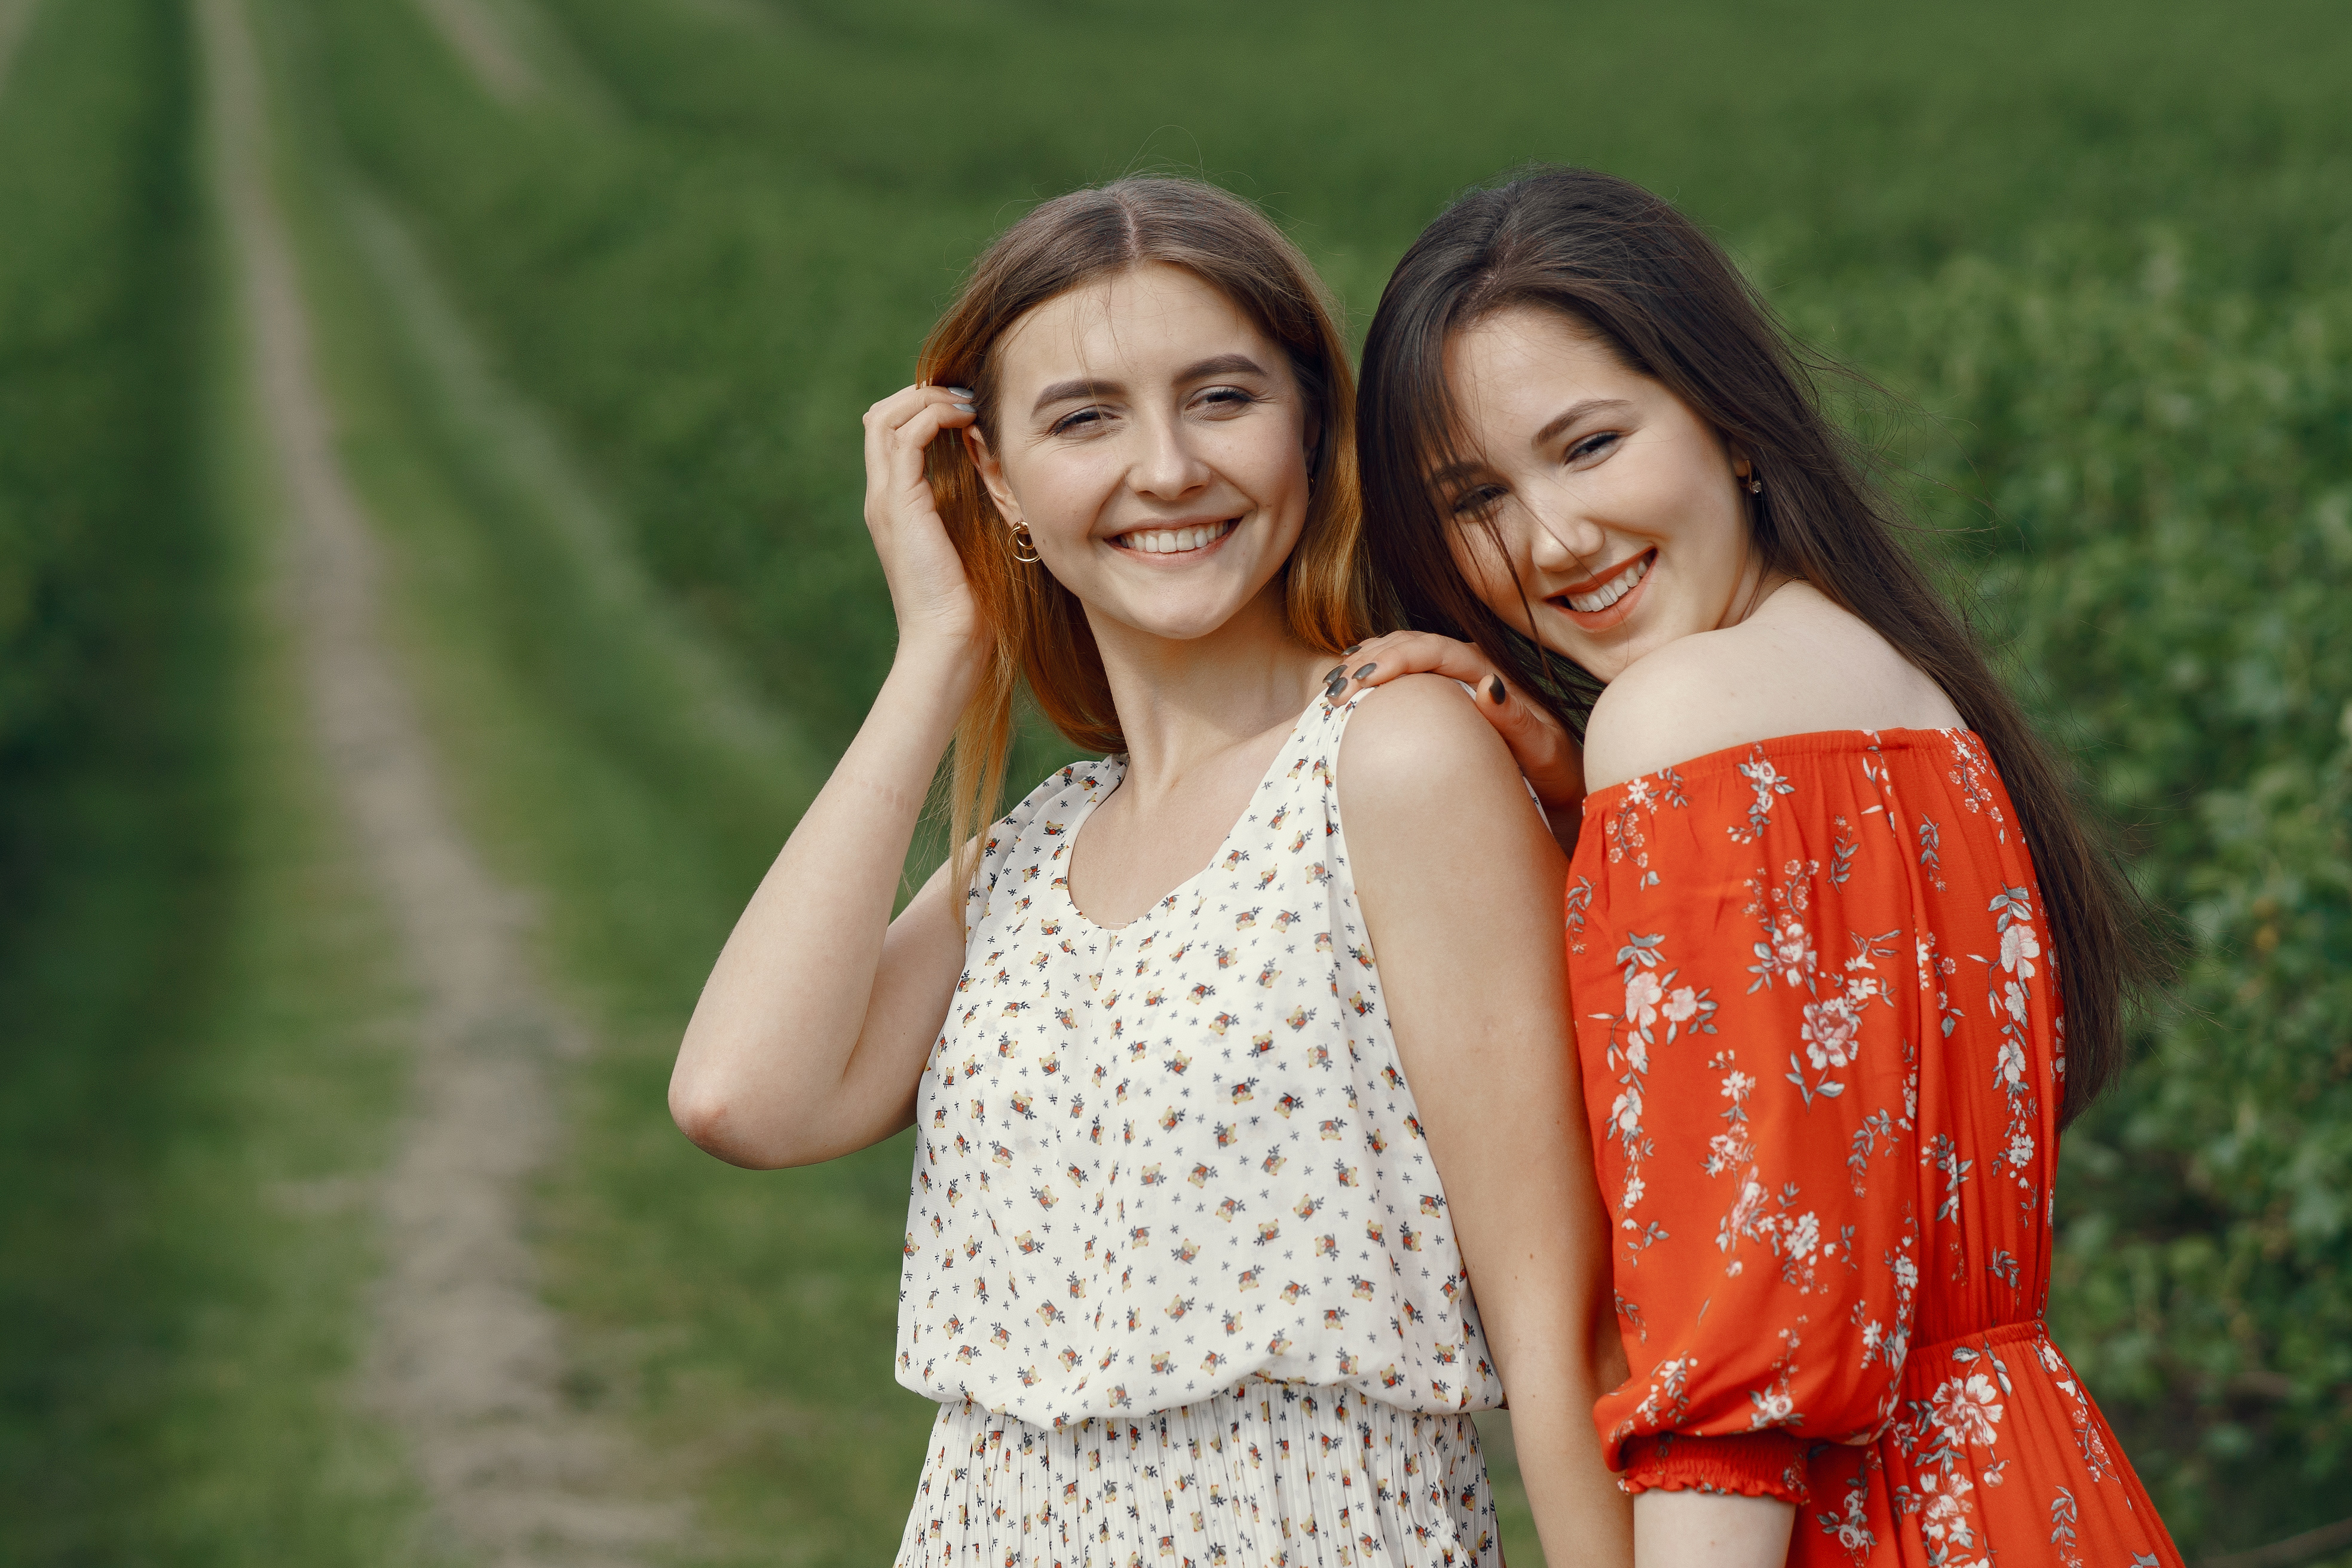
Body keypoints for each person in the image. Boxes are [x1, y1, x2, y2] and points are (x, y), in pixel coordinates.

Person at [667, 176, 1630, 1566]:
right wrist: (939, 650)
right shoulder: (1043, 844)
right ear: (993, 477)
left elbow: (1567, 1327)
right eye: (1085, 417)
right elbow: (741, 1095)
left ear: (1312, 427)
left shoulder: (1397, 760)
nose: (1168, 467)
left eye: (1223, 397)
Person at [1333, 167, 2182, 1567]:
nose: (1551, 540)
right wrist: (1574, 796)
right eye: (1477, 495)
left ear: (1726, 419)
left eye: (1591, 443)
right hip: (2034, 1486)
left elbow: (1747, 1351)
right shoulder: (1895, 693)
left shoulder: (1687, 729)